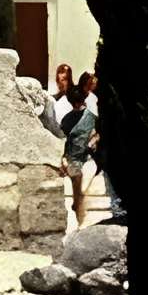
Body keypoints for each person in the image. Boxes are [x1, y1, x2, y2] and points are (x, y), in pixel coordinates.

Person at [61, 72, 98, 227]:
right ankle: (79, 217)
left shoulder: (85, 118)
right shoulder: (73, 119)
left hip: (82, 159)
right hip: (77, 160)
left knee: (80, 186)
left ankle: (80, 217)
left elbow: (97, 134)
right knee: (77, 181)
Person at [51, 62, 76, 127]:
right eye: (59, 80)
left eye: (64, 79)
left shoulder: (75, 94)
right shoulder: (56, 98)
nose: (61, 84)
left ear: (69, 79)